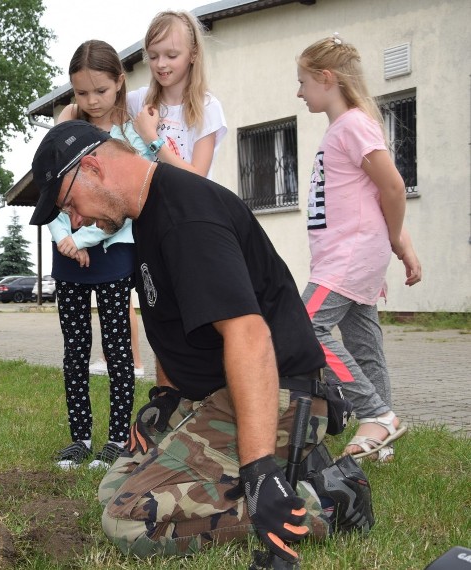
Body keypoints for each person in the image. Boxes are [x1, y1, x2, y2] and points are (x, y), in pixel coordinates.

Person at [29, 121, 374, 561]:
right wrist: (168, 398)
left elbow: (250, 335)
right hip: (218, 396)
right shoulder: (148, 214)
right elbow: (171, 324)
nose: (75, 221)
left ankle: (323, 499)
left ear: (93, 168)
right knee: (112, 490)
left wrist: (258, 470)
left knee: (130, 520)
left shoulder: (185, 216)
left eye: (69, 204)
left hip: (278, 394)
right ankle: (297, 463)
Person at [297, 34, 422, 463]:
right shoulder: (344, 128)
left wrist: (395, 238)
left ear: (326, 79)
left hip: (346, 259)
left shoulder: (352, 125)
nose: (299, 92)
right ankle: (381, 437)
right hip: (351, 256)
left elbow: (393, 186)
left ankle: (374, 413)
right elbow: (375, 198)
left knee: (304, 326)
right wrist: (403, 248)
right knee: (363, 345)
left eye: (303, 82)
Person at [48, 40, 146, 470]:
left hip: (112, 255)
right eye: (82, 92)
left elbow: (126, 202)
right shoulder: (64, 131)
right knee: (75, 348)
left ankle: (118, 440)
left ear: (119, 84)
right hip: (65, 255)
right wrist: (61, 238)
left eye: (100, 91)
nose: (91, 101)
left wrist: (83, 240)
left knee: (118, 348)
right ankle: (80, 438)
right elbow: (47, 190)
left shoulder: (128, 137)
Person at [127, 11, 227, 178]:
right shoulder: (140, 99)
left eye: (171, 55)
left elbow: (197, 177)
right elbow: (98, 103)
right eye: (153, 56)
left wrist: (151, 138)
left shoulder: (207, 106)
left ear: (193, 54)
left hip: (189, 204)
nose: (160, 64)